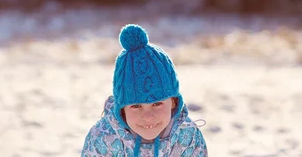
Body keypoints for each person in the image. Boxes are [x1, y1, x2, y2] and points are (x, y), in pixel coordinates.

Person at [81, 24, 208, 156]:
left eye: (157, 104)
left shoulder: (187, 136)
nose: (148, 116)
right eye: (136, 106)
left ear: (174, 102)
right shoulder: (103, 138)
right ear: (122, 109)